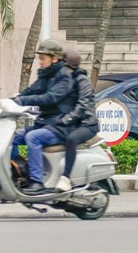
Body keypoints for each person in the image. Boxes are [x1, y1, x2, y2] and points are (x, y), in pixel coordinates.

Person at [11, 39, 74, 195]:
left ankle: (37, 181)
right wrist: (13, 99)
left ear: (54, 58)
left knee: (33, 137)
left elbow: (50, 98)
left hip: (60, 125)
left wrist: (23, 101)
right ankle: (18, 172)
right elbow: (32, 90)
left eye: (43, 58)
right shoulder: (45, 75)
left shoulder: (64, 77)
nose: (40, 61)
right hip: (45, 123)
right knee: (11, 137)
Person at [54, 48, 99, 192]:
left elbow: (82, 105)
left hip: (88, 123)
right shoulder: (65, 80)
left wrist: (67, 119)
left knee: (71, 139)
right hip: (75, 122)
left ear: (69, 66)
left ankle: (66, 177)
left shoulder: (81, 80)